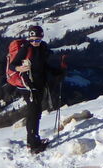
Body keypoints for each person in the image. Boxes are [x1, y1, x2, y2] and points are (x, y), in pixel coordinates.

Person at [9, 25, 64, 153]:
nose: (34, 42)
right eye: (32, 40)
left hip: (38, 85)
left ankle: (35, 140)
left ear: (42, 38)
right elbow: (12, 65)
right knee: (33, 113)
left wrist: (59, 71)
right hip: (28, 86)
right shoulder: (26, 49)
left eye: (37, 40)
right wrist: (19, 69)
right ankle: (33, 145)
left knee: (36, 112)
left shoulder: (42, 48)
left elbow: (44, 66)